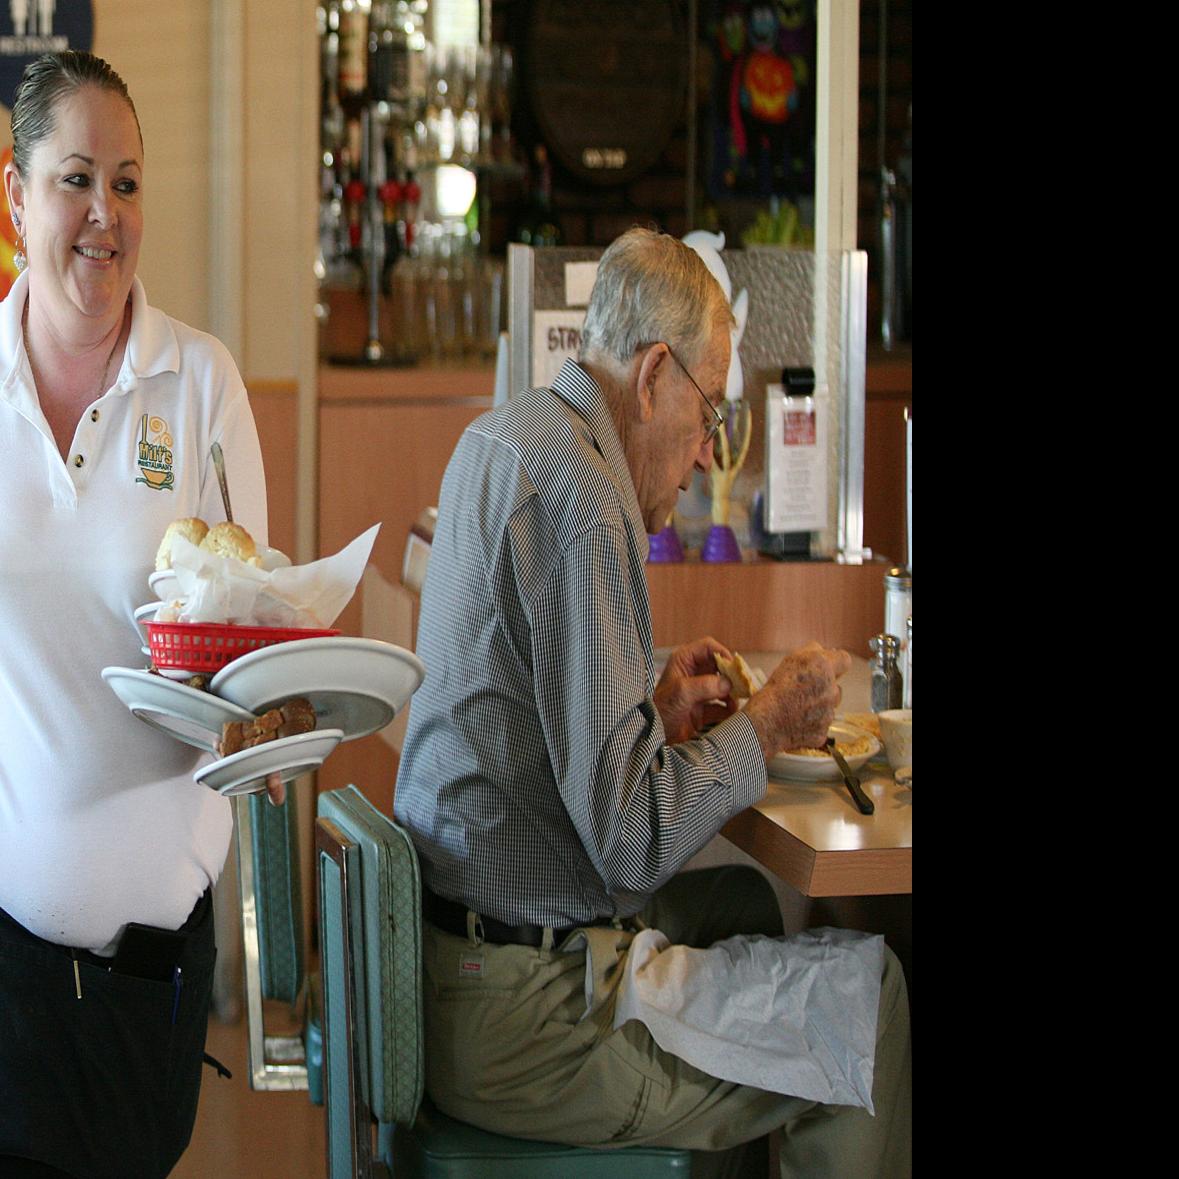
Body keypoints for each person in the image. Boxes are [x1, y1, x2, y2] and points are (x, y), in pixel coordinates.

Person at [394, 227, 911, 1176]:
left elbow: (528, 716)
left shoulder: (503, 436)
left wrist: (653, 710)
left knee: (743, 899)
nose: (708, 457)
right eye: (709, 413)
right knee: (867, 1002)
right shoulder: (588, 500)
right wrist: (762, 728)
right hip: (525, 1021)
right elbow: (630, 843)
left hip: (443, 960)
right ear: (653, 374)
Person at [0, 52, 271, 1178]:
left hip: (143, 981)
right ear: (15, 198)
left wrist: (262, 695)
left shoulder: (202, 384)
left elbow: (254, 637)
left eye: (128, 181)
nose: (104, 215)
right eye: (75, 180)